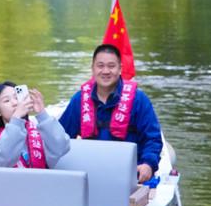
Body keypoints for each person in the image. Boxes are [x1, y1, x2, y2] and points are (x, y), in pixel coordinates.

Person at [59, 44, 163, 184]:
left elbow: (153, 139)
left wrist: (148, 164)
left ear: (120, 69)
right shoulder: (80, 100)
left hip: (130, 177)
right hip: (91, 176)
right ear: (93, 68)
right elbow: (61, 138)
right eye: (100, 66)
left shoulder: (138, 100)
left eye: (111, 66)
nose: (106, 71)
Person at [0, 80, 70, 168]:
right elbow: (0, 161)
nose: (15, 103)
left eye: (16, 98)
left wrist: (42, 114)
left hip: (41, 178)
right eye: (7, 101)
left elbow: (61, 147)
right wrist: (16, 119)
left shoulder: (39, 130)